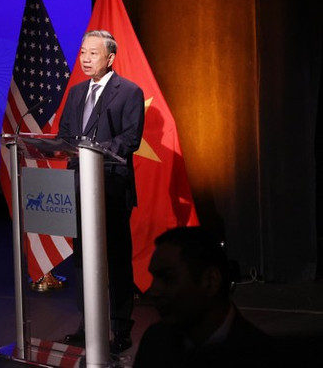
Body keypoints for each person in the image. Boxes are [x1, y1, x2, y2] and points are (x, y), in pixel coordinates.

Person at [58, 29, 145, 353]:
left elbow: (130, 138)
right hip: (78, 185)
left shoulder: (129, 92)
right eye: (83, 53)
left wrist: (94, 150)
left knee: (117, 258)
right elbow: (65, 133)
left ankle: (121, 327)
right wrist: (70, 148)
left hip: (110, 185)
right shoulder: (77, 92)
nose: (85, 58)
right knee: (82, 257)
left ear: (110, 58)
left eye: (92, 53)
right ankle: (89, 323)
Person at [133, 226, 275, 367]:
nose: (154, 291)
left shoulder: (264, 357)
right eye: (154, 278)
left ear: (210, 281)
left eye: (167, 278)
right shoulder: (155, 342)